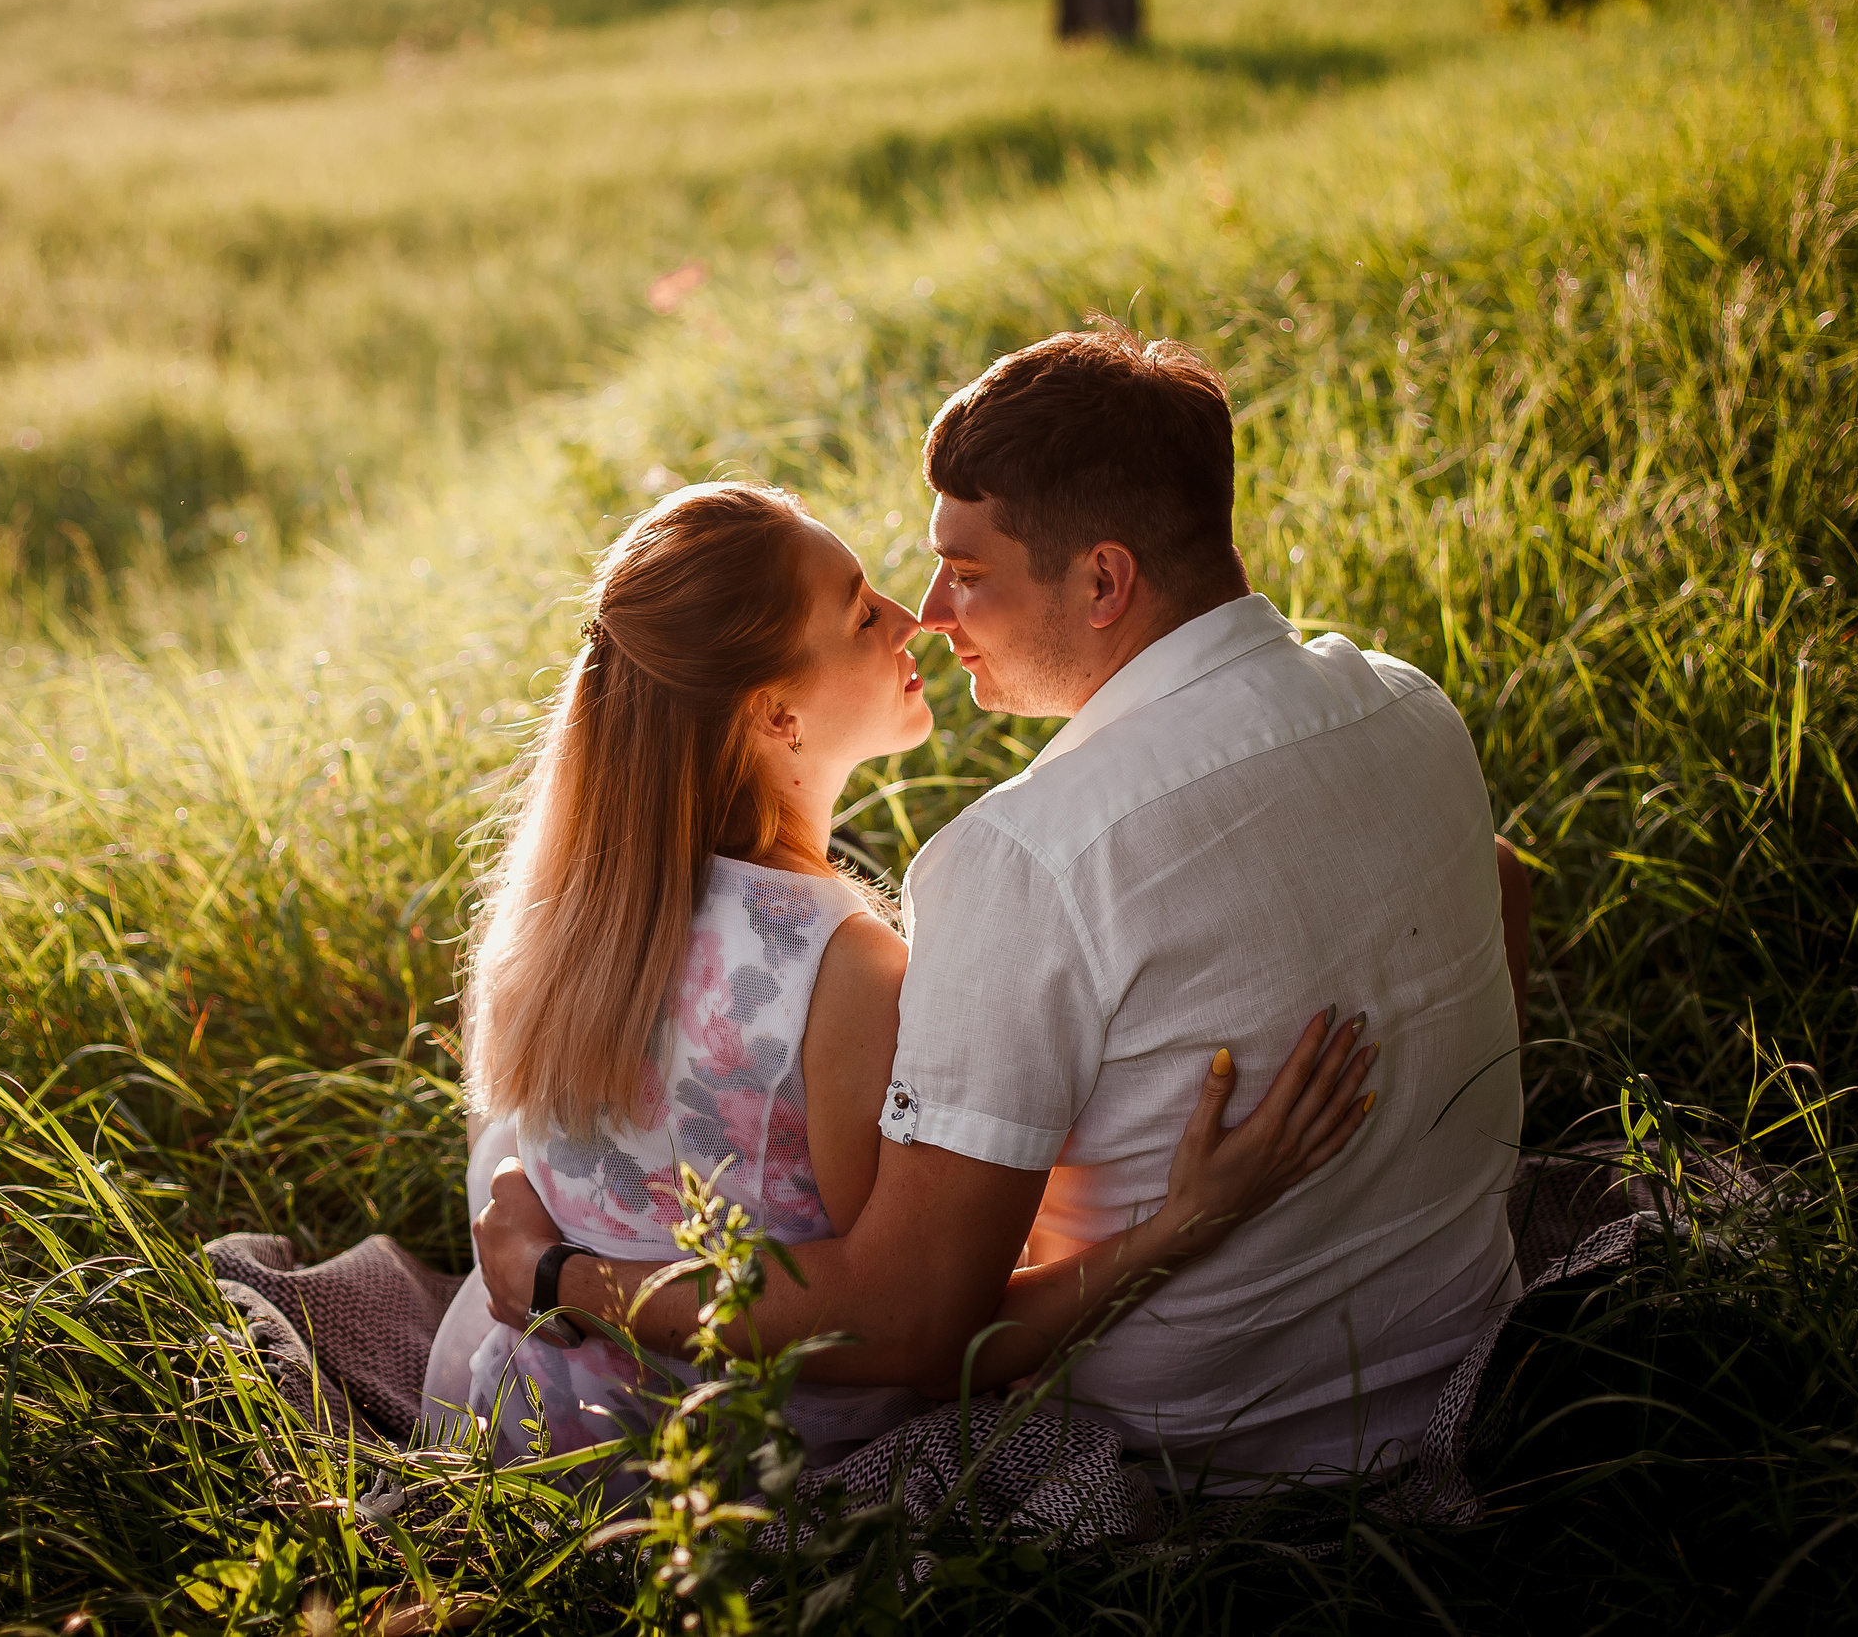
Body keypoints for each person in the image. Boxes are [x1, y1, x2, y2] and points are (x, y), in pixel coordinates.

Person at [476, 324, 1531, 1492]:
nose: (929, 611)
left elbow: (922, 1330)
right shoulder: (1410, 707)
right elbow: (1501, 882)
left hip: (1197, 1453)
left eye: (966, 573)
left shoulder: (1022, 861)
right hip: (1469, 1347)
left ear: (1101, 580)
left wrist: (559, 1278)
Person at [420, 480, 1380, 1469]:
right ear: (776, 716)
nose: (910, 619)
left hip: (518, 1428)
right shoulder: (839, 968)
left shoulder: (574, 910)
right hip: (722, 1487)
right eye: (858, 609)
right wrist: (1180, 1224)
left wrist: (550, 1262)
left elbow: (528, 1169)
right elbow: (927, 1341)